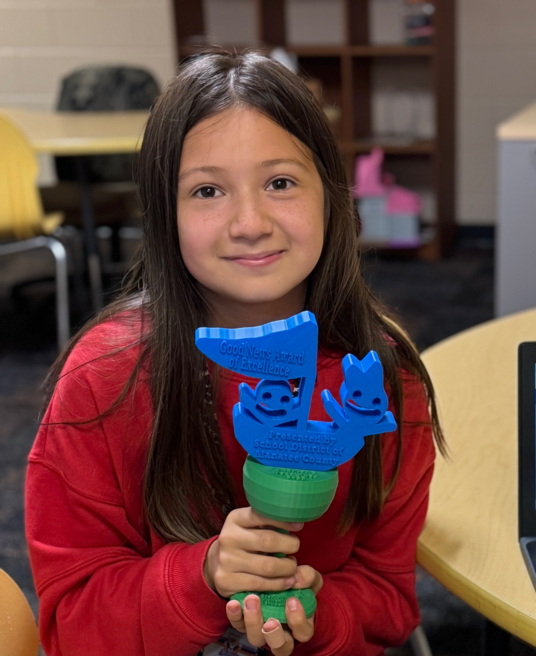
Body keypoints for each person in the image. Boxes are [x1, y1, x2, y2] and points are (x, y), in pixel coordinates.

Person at [25, 51, 445, 656]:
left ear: (331, 197)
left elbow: (388, 598)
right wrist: (203, 575)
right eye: (207, 190)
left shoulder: (379, 381)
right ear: (165, 217)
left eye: (280, 183)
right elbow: (72, 624)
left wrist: (320, 614)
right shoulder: (105, 378)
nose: (249, 222)